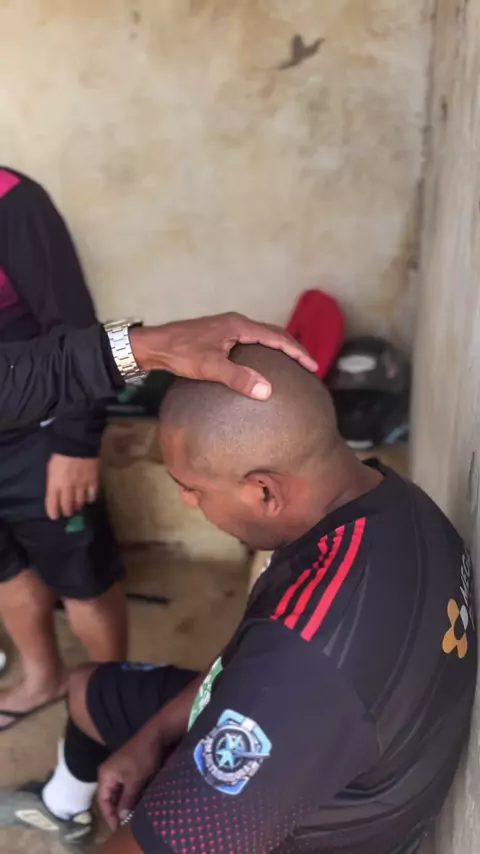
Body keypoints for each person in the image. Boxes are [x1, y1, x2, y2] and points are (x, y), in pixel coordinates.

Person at [11, 345, 476, 853]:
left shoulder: (305, 665)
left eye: (192, 488)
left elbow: (171, 844)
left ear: (264, 492)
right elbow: (255, 656)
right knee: (89, 689)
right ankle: (64, 807)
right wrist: (154, 734)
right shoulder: (390, 500)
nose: (187, 500)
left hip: (322, 833)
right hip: (344, 758)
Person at [0, 167, 129, 731]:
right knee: (6, 573)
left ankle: (111, 706)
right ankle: (42, 679)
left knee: (84, 581)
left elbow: (75, 329)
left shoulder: (13, 202)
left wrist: (77, 442)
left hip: (39, 439)